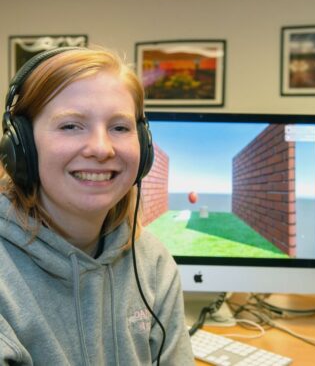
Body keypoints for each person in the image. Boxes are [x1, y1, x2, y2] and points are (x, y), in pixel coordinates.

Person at [0, 46, 195, 365]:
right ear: (20, 145)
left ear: (143, 146)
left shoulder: (151, 262)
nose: (102, 149)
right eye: (71, 126)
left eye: (120, 127)